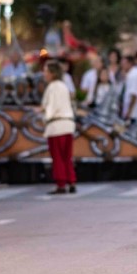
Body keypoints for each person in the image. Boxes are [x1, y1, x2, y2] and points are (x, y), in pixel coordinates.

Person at [41, 61, 77, 195]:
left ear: (52, 73)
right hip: (68, 125)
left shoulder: (52, 87)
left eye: (46, 71)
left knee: (58, 157)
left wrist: (45, 118)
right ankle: (71, 181)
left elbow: (51, 107)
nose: (44, 74)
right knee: (67, 156)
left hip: (56, 126)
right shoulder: (64, 86)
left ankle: (61, 183)